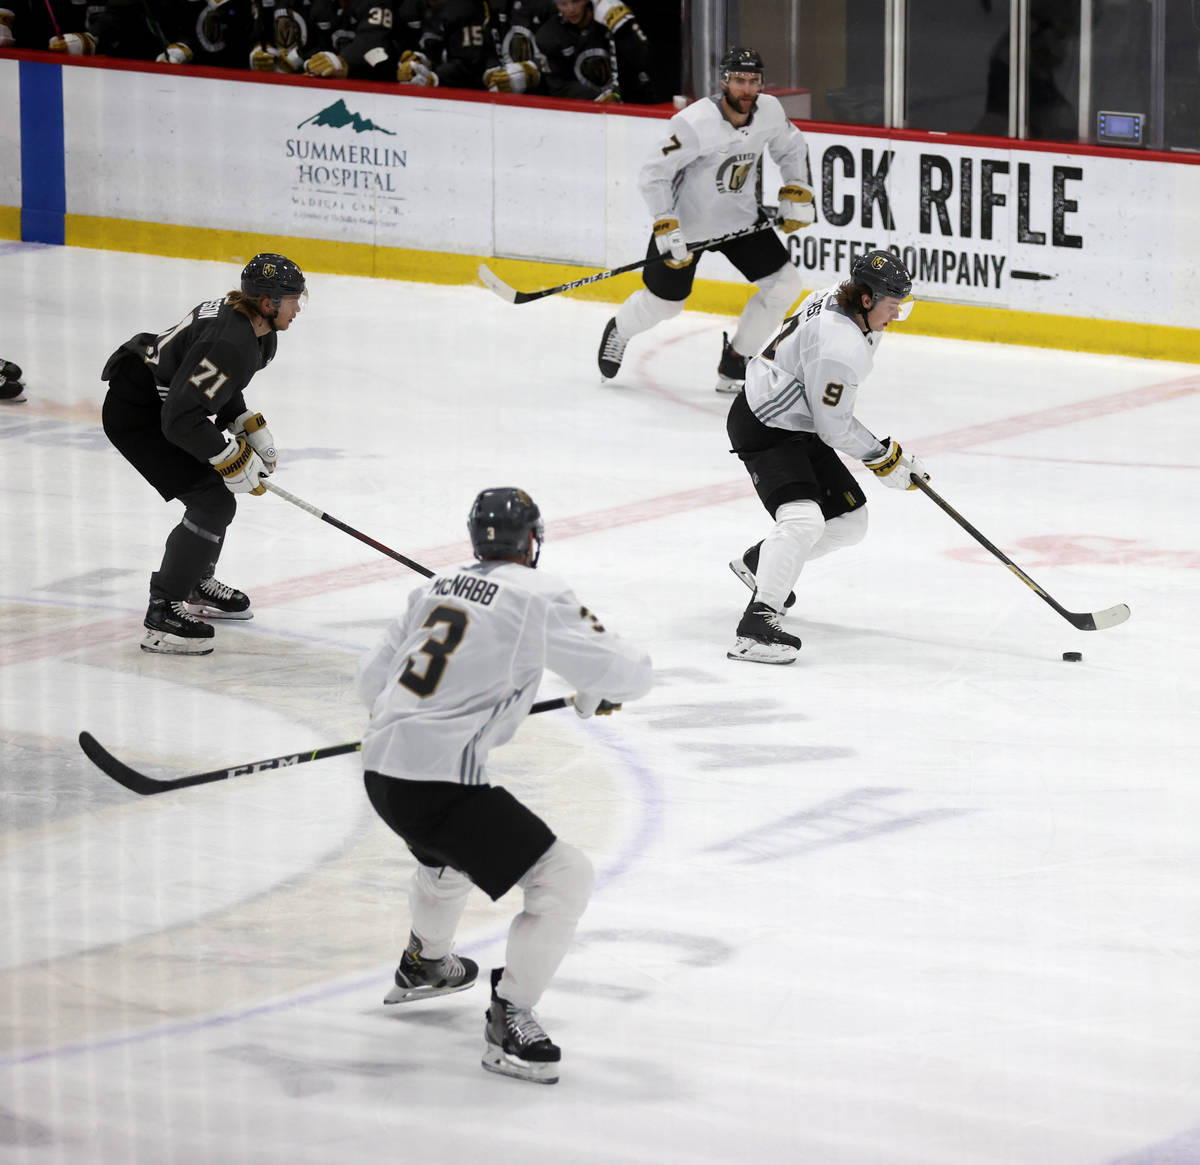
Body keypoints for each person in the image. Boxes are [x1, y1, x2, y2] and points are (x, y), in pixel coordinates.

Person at [356, 486, 653, 1085]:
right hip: (438, 783)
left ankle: (427, 964)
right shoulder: (537, 594)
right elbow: (629, 671)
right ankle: (510, 1015)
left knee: (448, 858)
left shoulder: (433, 585)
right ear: (532, 541)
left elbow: (371, 685)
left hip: (383, 774)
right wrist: (600, 689)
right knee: (564, 876)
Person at [725, 249, 930, 665]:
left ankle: (761, 562)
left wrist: (887, 454)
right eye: (893, 306)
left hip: (797, 420)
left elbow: (826, 413)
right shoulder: (840, 344)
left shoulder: (843, 298)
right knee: (803, 520)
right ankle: (755, 629)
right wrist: (883, 458)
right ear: (868, 299)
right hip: (767, 426)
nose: (895, 316)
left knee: (850, 522)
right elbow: (833, 428)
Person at [100, 253, 306, 655]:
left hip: (166, 405)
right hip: (139, 413)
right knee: (211, 500)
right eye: (293, 299)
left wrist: (243, 421)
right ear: (268, 303)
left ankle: (192, 579)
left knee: (215, 496)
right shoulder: (233, 340)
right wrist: (228, 455)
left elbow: (211, 380)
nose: (298, 307)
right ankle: (163, 612)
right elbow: (179, 418)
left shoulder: (253, 329)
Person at [597, 45, 814, 394]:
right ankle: (619, 330)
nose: (746, 88)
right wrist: (665, 223)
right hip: (687, 228)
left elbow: (791, 146)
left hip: (741, 222)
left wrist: (797, 188)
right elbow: (654, 174)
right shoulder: (694, 123)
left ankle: (736, 360)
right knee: (664, 305)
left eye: (753, 80)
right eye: (739, 80)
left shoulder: (770, 111)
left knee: (784, 285)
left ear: (761, 84)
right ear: (724, 81)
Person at [536, 0, 654, 104]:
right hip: (587, 110)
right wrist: (597, 98)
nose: (571, 9)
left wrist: (624, 29)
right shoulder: (549, 35)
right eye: (563, 4)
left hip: (634, 102)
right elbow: (559, 86)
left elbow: (644, 61)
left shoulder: (609, 15)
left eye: (576, 1)